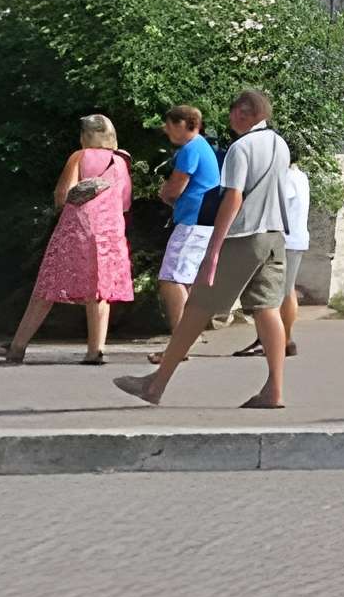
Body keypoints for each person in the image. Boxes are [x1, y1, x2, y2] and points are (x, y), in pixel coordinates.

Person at [117, 88, 294, 408]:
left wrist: (214, 248)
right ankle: (275, 390)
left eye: (232, 112)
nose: (229, 118)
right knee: (267, 309)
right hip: (274, 234)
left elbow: (233, 197)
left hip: (242, 236)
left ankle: (155, 386)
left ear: (243, 112)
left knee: (197, 307)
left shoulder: (242, 148)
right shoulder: (280, 144)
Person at [0, 115, 137, 365]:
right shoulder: (121, 163)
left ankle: (17, 347)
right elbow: (125, 203)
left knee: (48, 286)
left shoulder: (79, 157)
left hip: (77, 229)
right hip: (109, 234)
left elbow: (62, 194)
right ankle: (95, 350)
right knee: (100, 290)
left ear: (86, 135)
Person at [151, 103, 220, 335]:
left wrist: (166, 195)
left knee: (171, 279)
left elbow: (174, 189)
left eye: (169, 125)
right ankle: (187, 335)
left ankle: (180, 340)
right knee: (184, 279)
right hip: (203, 220)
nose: (166, 130)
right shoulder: (203, 147)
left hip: (192, 221)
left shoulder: (191, 149)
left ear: (182, 124)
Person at [234, 155, 309, 359]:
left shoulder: (285, 178)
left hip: (282, 239)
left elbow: (275, 205)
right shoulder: (300, 175)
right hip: (297, 239)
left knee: (269, 293)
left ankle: (267, 341)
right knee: (287, 290)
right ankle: (285, 339)